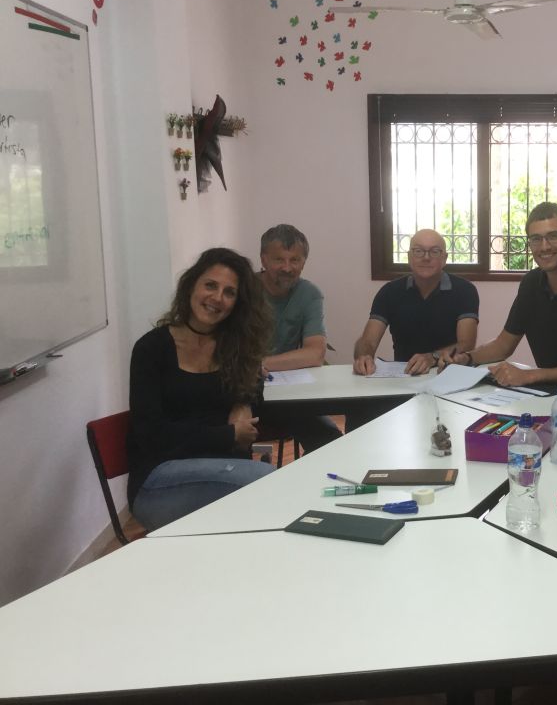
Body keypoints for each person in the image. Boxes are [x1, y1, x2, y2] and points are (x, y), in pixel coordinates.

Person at [127, 248, 275, 530]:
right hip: (160, 481)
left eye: (229, 292)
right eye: (210, 285)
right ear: (191, 285)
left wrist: (243, 402)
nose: (217, 298)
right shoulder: (151, 349)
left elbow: (253, 384)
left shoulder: (235, 344)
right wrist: (228, 434)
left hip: (225, 470)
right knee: (267, 482)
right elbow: (151, 435)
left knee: (263, 504)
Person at [439, 202, 557, 388]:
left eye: (553, 236)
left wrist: (531, 375)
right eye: (536, 239)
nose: (544, 247)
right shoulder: (531, 283)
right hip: (549, 391)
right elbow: (503, 345)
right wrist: (467, 358)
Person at [258, 224, 342, 450]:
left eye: (294, 260)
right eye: (279, 260)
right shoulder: (243, 290)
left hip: (288, 396)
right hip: (242, 394)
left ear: (304, 262)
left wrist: (260, 364)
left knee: (331, 440)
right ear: (264, 259)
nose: (287, 268)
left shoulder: (309, 294)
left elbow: (315, 353)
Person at [353, 229, 479, 376]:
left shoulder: (465, 290)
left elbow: (466, 344)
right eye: (418, 251)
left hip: (448, 374)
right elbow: (368, 341)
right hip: (404, 377)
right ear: (409, 257)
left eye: (434, 251)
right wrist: (364, 356)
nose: (426, 257)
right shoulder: (389, 292)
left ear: (444, 258)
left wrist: (432, 357)